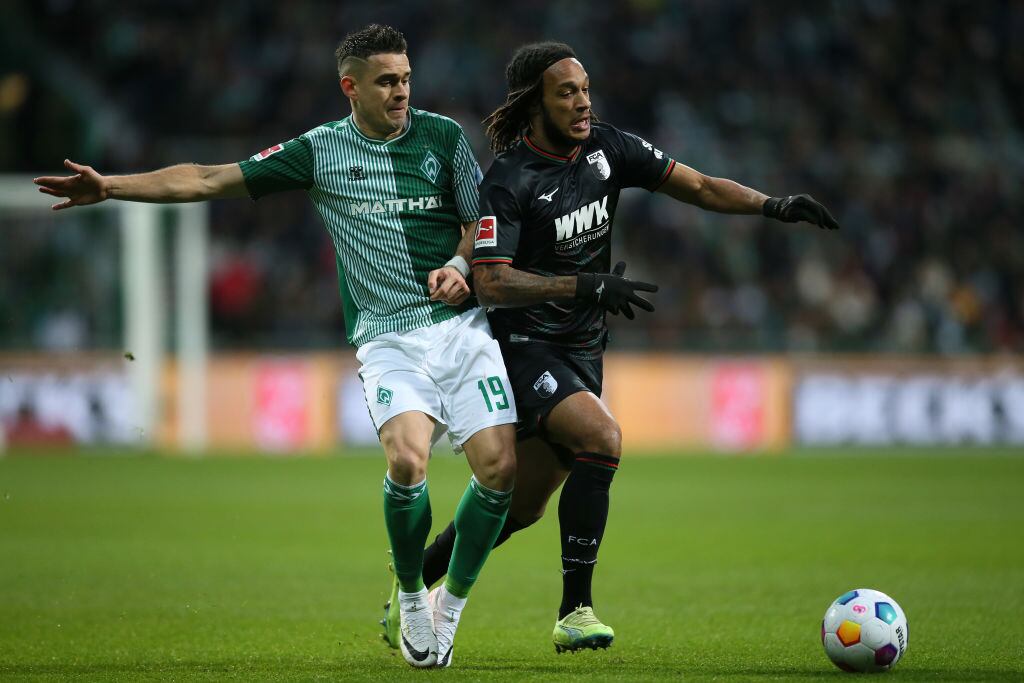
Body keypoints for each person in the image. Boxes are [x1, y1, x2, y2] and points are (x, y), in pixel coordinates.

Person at [33, 24, 519, 670]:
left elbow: (473, 224)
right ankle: (409, 596)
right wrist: (114, 186)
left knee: (500, 470)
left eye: (405, 78)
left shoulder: (444, 138)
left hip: (460, 330)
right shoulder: (320, 152)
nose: (402, 91)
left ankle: (448, 607)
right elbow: (208, 178)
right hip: (388, 337)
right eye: (386, 81)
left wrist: (461, 264)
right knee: (407, 461)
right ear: (350, 87)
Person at [413, 41, 840, 654]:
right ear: (535, 103)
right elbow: (492, 280)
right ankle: (575, 611)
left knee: (521, 505)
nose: (582, 101)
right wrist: (586, 283)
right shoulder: (509, 179)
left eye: (585, 88)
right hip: (524, 346)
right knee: (603, 438)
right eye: (566, 92)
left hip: (583, 350)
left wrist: (770, 205)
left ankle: (410, 588)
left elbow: (700, 186)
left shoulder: (609, 148)